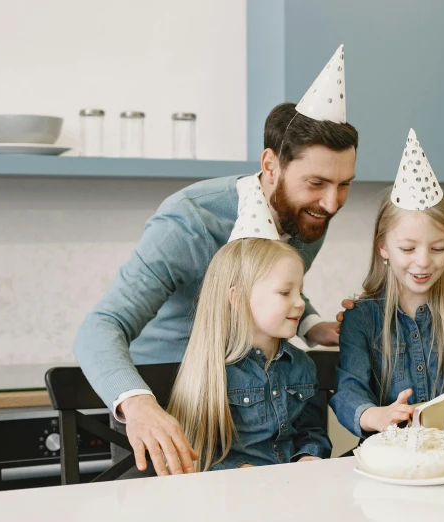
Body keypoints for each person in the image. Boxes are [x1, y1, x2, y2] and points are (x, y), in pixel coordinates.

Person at [73, 45, 356, 475]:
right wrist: (138, 403)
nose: (332, 203)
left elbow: (266, 286)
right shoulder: (188, 221)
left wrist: (312, 322)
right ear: (270, 165)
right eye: (317, 182)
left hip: (256, 410)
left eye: (344, 185)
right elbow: (101, 327)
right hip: (169, 406)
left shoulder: (310, 213)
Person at [330, 129, 444, 438]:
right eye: (408, 249)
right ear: (383, 248)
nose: (424, 261)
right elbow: (349, 390)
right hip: (393, 460)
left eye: (438, 248)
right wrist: (376, 415)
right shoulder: (361, 319)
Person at [167, 234, 331, 471]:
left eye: (300, 292)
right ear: (238, 297)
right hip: (231, 496)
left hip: (293, 491)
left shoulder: (302, 365)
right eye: (286, 293)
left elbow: (311, 431)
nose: (300, 303)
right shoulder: (212, 371)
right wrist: (240, 470)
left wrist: (309, 456)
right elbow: (198, 449)